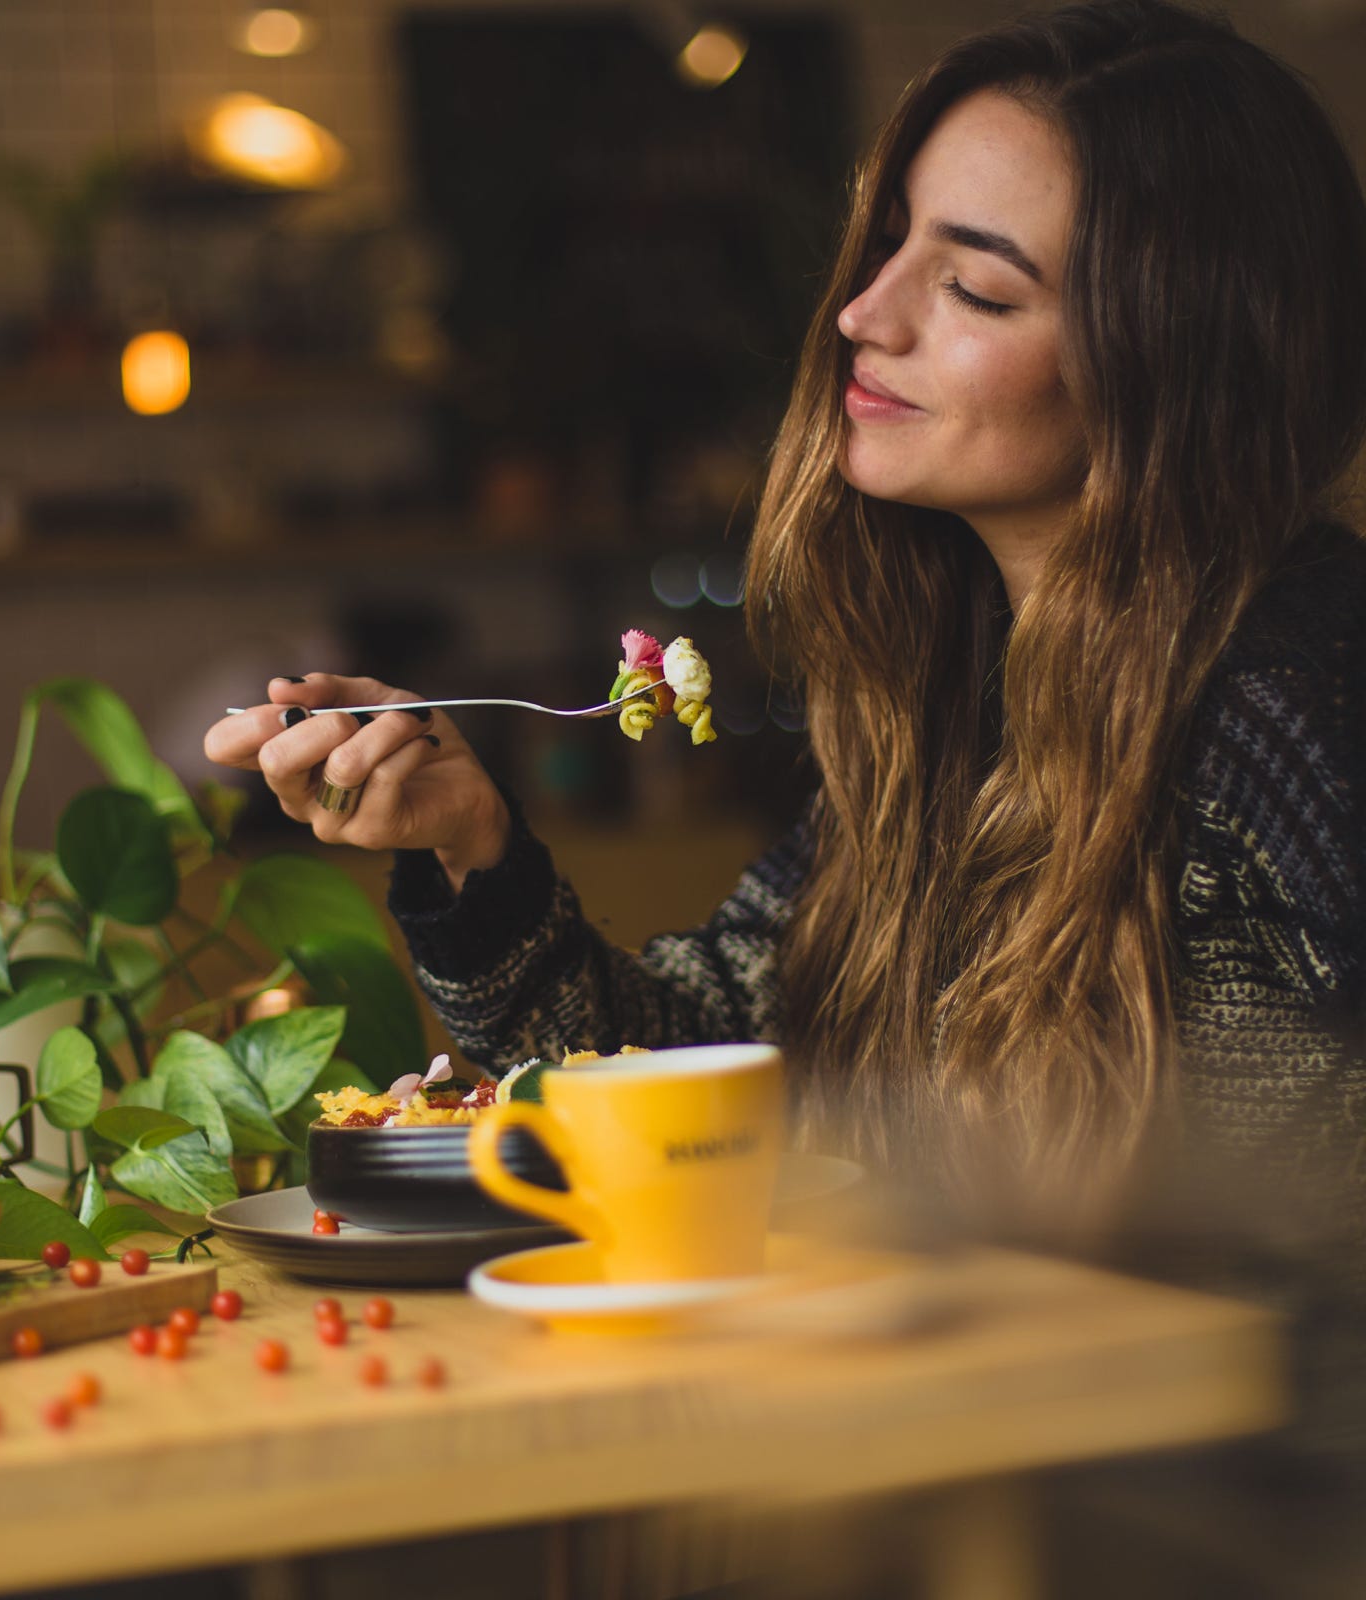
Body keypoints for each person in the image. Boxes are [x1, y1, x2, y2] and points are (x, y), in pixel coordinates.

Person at [209, 0, 1365, 1474]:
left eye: (981, 293)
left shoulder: (1298, 717)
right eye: (890, 246)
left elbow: (1272, 1297)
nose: (864, 315)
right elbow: (707, 1086)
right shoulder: (962, 707)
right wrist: (471, 847)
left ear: (1182, 361)